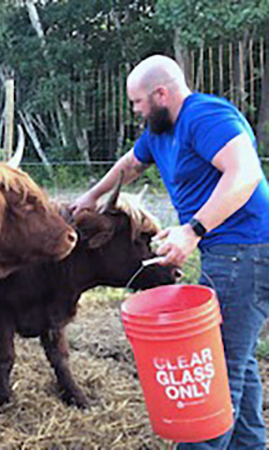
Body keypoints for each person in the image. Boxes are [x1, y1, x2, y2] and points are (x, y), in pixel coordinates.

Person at [71, 54, 269, 449]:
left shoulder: (206, 116)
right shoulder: (159, 131)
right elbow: (130, 164)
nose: (136, 111)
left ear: (161, 94)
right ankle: (250, 444)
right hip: (226, 252)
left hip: (246, 251)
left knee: (210, 368)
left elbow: (244, 173)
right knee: (237, 358)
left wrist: (193, 230)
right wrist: (91, 196)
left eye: (138, 102)